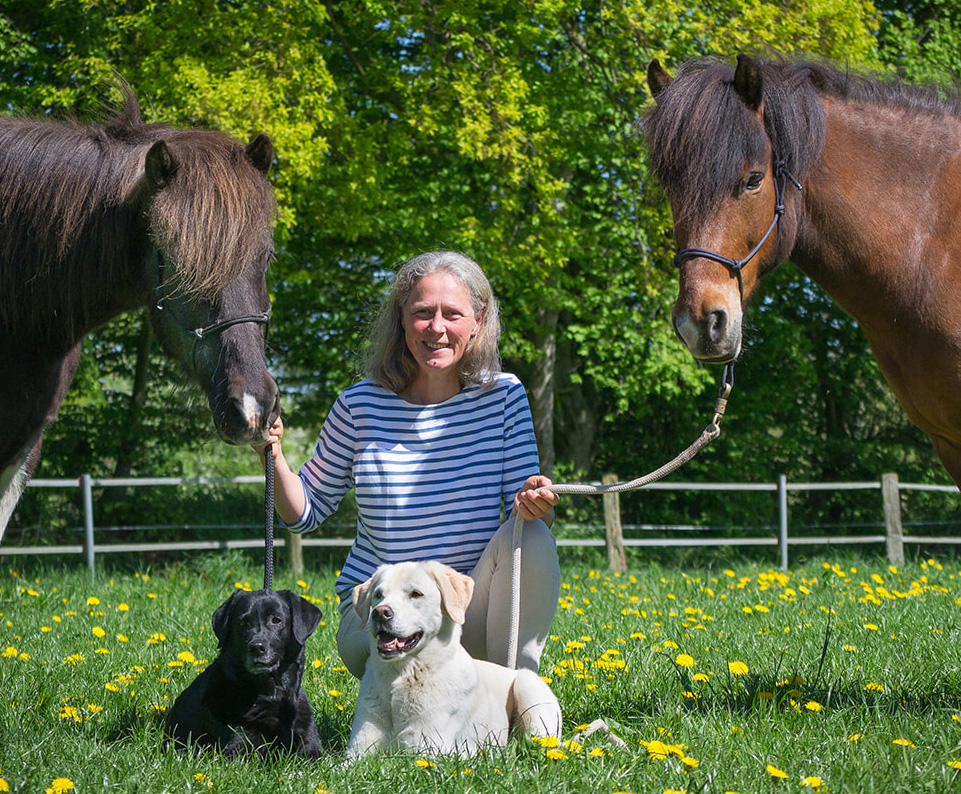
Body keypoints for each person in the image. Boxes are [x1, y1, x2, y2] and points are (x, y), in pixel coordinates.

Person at [256, 250, 560, 679]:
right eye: (422, 312)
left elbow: (523, 517)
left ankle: (517, 687)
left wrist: (535, 503)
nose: (437, 327)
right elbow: (303, 513)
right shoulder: (359, 403)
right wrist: (271, 454)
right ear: (401, 318)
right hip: (379, 624)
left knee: (533, 538)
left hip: (461, 611)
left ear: (478, 321)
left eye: (452, 313)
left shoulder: (504, 397)